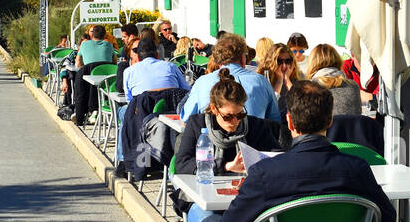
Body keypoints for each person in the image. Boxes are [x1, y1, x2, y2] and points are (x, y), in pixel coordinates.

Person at [197, 81, 397, 222]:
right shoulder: (358, 169)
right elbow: (389, 220)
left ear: (289, 122)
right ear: (330, 121)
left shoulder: (265, 172)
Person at [174, 69, 289, 222]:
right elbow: (182, 164)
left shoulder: (254, 126)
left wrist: (257, 164)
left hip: (242, 198)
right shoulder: (197, 125)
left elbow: (275, 157)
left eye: (240, 115)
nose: (234, 121)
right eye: (227, 116)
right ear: (213, 109)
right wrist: (225, 166)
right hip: (201, 199)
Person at [114, 32, 190, 177]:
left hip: (143, 113)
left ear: (138, 55)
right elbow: (186, 90)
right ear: (157, 53)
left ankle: (125, 160)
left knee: (123, 114)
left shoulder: (129, 71)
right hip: (171, 111)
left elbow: (131, 100)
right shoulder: (170, 66)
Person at [178, 34, 278, 122]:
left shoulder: (203, 82)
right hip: (254, 141)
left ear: (217, 60)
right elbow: (275, 120)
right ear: (243, 58)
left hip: (211, 141)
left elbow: (186, 118)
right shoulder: (261, 81)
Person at [61, 24, 115, 125]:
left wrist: (85, 68)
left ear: (92, 35)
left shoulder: (85, 45)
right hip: (106, 78)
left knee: (82, 84)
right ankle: (96, 111)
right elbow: (114, 61)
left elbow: (78, 63)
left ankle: (80, 114)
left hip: (88, 73)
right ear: (105, 35)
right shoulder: (109, 45)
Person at [305, 44, 363, 116]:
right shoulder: (353, 86)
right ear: (338, 60)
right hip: (350, 127)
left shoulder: (307, 89)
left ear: (311, 64)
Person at [258, 42, 302, 119]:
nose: (284, 66)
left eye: (287, 61)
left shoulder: (295, 78)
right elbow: (269, 109)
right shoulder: (263, 78)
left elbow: (301, 104)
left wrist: (287, 80)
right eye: (279, 61)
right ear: (271, 62)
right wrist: (279, 81)